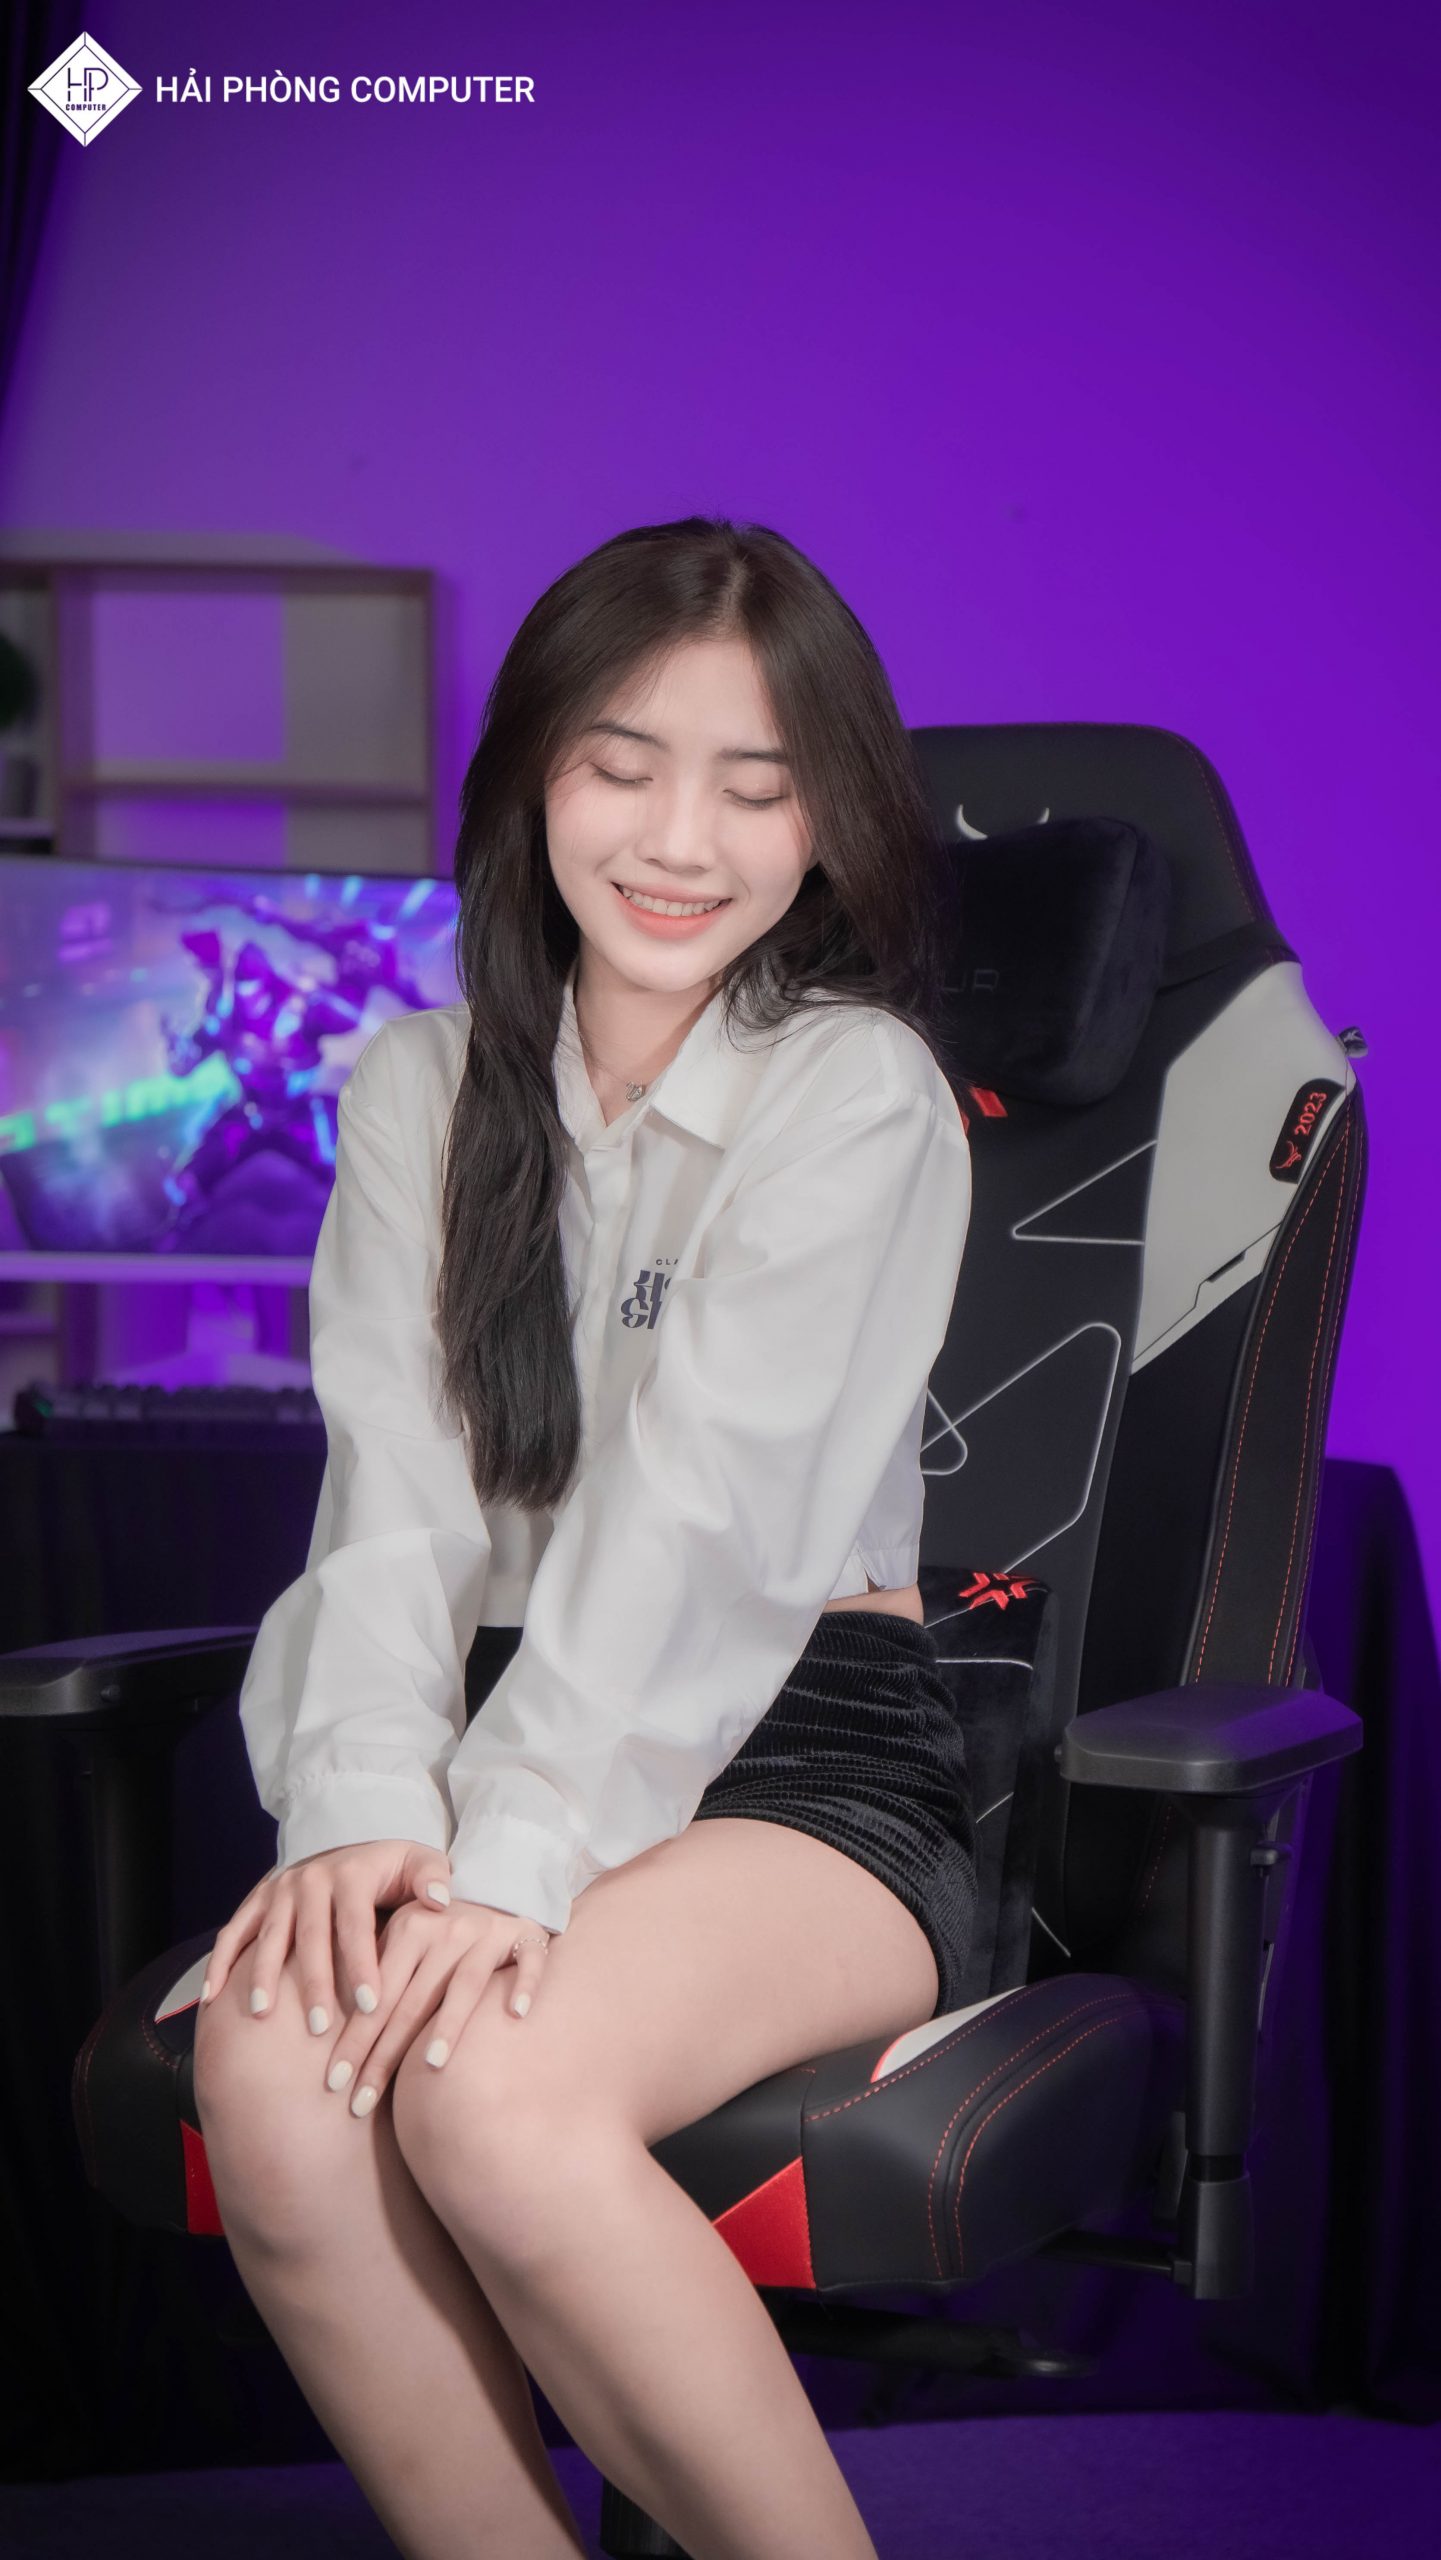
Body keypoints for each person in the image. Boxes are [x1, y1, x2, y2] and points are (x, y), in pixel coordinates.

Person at [191, 516, 977, 2560]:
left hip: (799, 1758)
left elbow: (705, 1526)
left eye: (758, 784)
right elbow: (391, 1496)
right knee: (273, 2077)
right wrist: (366, 1813)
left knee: (485, 2080)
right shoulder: (417, 1085)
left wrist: (515, 1851)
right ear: (535, 771)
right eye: (623, 764)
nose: (680, 839)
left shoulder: (856, 1093)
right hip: (488, 1737)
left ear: (832, 819)